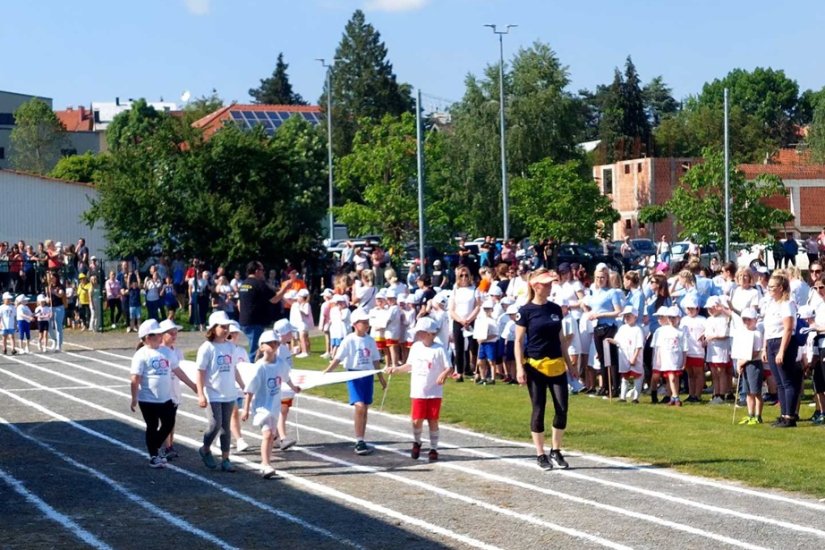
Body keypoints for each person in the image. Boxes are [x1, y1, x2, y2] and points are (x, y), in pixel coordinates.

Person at [514, 268, 573, 471]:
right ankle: (540, 453)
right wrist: (520, 368)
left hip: (556, 364)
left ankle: (555, 450)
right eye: (546, 284)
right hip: (535, 366)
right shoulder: (525, 311)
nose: (550, 287)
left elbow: (561, 338)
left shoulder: (555, 309)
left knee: (562, 408)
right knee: (539, 408)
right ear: (536, 286)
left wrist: (571, 364)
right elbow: (519, 340)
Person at [385, 317, 451, 462]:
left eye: (422, 332)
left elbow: (449, 367)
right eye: (419, 332)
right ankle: (417, 441)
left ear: (430, 333)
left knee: (433, 420)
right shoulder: (416, 347)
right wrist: (396, 369)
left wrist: (443, 374)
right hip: (418, 390)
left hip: (434, 391)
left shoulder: (439, 349)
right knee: (417, 420)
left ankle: (434, 448)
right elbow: (409, 365)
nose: (419, 335)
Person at [323, 308, 387, 455]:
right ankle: (358, 440)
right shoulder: (349, 340)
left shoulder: (370, 340)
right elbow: (338, 358)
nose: (367, 325)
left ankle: (361, 439)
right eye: (363, 322)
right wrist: (327, 371)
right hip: (353, 375)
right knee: (359, 406)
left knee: (365, 408)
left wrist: (381, 379)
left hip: (368, 376)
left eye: (367, 322)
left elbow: (376, 361)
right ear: (355, 324)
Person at [130, 319, 193, 468]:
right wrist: (134, 398)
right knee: (152, 425)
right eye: (156, 334)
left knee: (169, 423)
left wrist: (193, 385)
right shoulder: (141, 354)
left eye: (160, 333)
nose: (160, 336)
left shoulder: (167, 352)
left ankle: (155, 447)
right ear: (147, 338)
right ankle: (153, 455)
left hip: (166, 398)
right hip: (147, 399)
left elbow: (178, 371)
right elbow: (135, 378)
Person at [241, 330, 301, 479]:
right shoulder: (259, 367)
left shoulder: (280, 363)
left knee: (271, 434)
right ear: (261, 347)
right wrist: (246, 409)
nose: (273, 345)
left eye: (275, 343)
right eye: (270, 343)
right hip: (262, 406)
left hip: (274, 405)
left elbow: (286, 377)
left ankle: (266, 462)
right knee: (268, 434)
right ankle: (265, 464)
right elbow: (250, 390)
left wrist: (294, 388)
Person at [196, 311, 246, 471]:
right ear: (213, 328)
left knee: (226, 426)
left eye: (227, 327)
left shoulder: (231, 347)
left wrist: (243, 385)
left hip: (229, 392)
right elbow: (200, 372)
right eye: (222, 327)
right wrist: (200, 394)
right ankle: (205, 448)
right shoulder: (207, 348)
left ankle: (225, 459)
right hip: (213, 393)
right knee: (215, 424)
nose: (226, 330)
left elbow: (234, 369)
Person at [761, 273, 801, 427]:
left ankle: (790, 416)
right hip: (771, 342)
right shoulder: (772, 304)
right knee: (779, 382)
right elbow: (768, 328)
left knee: (787, 381)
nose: (769, 289)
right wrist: (765, 348)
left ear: (781, 288)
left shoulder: (787, 303)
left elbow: (788, 328)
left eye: (772, 287)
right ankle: (783, 414)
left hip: (782, 342)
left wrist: (782, 351)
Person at [158, 318, 196, 460]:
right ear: (162, 335)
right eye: (171, 333)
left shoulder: (178, 352)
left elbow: (181, 370)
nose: (174, 336)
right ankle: (167, 446)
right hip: (163, 391)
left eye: (175, 333)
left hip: (175, 391)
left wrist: (193, 385)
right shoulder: (159, 351)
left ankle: (170, 445)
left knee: (171, 420)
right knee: (166, 420)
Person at [238, 260, 289, 361]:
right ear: (257, 271)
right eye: (262, 270)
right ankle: (252, 371)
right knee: (256, 350)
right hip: (255, 322)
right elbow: (275, 299)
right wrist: (285, 288)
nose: (264, 273)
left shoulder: (244, 284)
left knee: (256, 347)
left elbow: (239, 303)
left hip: (244, 320)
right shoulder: (259, 284)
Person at [585, 265, 623, 397]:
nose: (599, 280)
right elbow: (586, 304)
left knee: (610, 358)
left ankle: (615, 386)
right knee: (601, 358)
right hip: (597, 327)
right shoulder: (595, 293)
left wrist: (600, 315)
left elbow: (618, 311)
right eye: (597, 278)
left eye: (602, 278)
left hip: (608, 326)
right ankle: (604, 386)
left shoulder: (611, 292)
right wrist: (590, 313)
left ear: (607, 278)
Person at [448, 265, 480, 381]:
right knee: (459, 347)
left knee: (474, 347)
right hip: (458, 320)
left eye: (466, 275)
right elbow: (451, 309)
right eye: (461, 275)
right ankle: (460, 372)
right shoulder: (455, 290)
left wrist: (469, 319)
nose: (464, 277)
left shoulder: (474, 289)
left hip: (471, 320)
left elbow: (477, 306)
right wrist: (460, 320)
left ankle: (477, 371)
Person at [650, 306, 687, 406]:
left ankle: (672, 396)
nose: (671, 320)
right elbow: (657, 347)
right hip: (664, 358)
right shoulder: (661, 331)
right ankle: (673, 397)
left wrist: (684, 361)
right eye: (669, 317)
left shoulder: (681, 332)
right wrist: (657, 360)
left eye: (673, 317)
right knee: (667, 377)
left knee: (674, 378)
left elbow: (684, 348)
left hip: (676, 358)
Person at [607, 306, 645, 402]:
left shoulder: (638, 329)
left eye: (629, 316)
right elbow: (617, 341)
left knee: (637, 376)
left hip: (634, 356)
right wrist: (609, 340)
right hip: (624, 357)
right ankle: (622, 397)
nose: (627, 318)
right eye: (625, 316)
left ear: (635, 317)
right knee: (625, 377)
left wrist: (634, 357)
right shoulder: (622, 328)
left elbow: (639, 346)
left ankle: (635, 397)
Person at [734, 308, 765, 425]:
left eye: (749, 320)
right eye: (744, 320)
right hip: (744, 363)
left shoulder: (757, 333)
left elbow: (756, 352)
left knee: (756, 391)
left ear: (755, 320)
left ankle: (758, 416)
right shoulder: (742, 333)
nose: (747, 322)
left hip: (754, 363)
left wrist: (743, 361)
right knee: (748, 392)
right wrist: (739, 363)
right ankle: (750, 414)